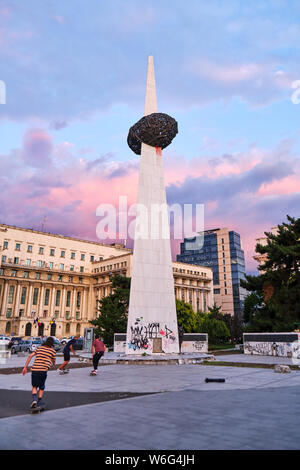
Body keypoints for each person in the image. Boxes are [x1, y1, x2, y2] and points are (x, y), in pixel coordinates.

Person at [22, 336, 56, 409]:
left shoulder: (40, 348)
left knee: (34, 386)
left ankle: (34, 400)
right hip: (43, 370)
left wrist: (25, 367)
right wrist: (52, 362)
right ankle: (39, 401)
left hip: (35, 369)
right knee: (41, 386)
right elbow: (54, 361)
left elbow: (30, 356)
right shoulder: (52, 351)